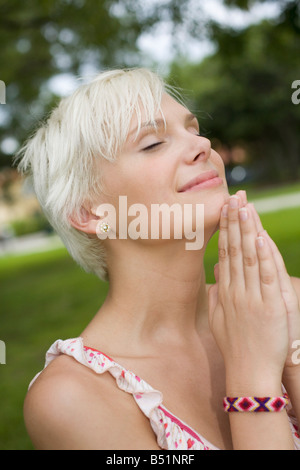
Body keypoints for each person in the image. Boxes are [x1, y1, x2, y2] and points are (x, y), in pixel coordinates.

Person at [16, 68, 300, 450]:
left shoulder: (285, 304)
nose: (203, 146)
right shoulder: (73, 398)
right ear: (89, 213)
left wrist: (290, 356)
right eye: (152, 143)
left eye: (193, 128)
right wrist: (254, 374)